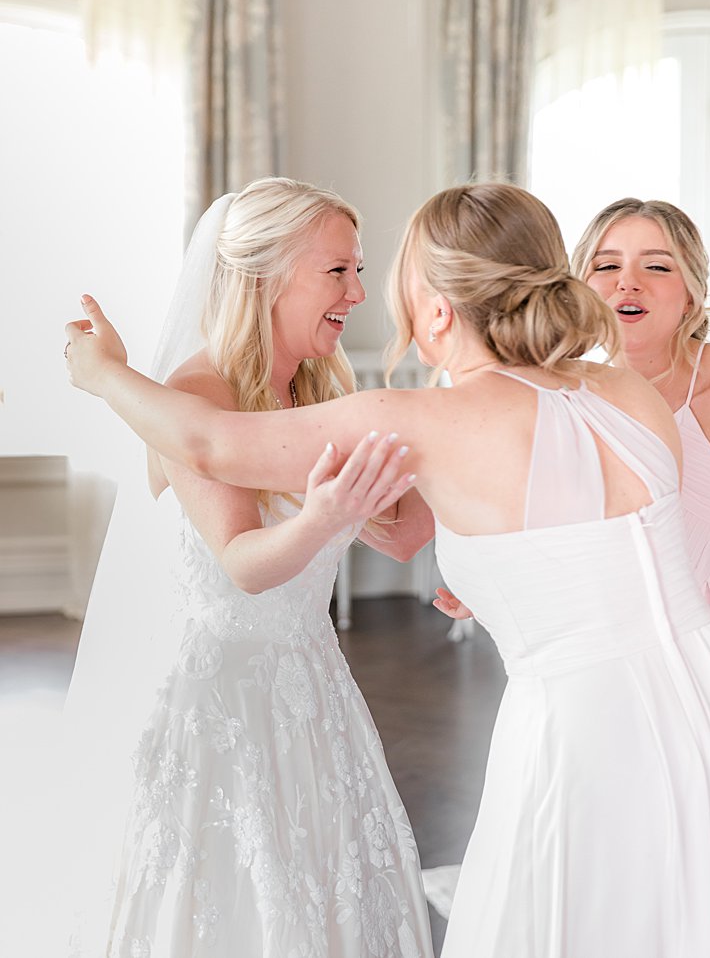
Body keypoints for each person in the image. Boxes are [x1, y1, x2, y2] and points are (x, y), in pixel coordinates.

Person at [66, 182, 710, 958]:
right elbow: (584, 530)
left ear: (436, 308)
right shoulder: (625, 386)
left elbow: (211, 445)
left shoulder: (423, 417)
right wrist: (514, 580)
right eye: (342, 274)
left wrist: (103, 375)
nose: (365, 297)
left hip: (585, 727)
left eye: (385, 280)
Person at [63, 178, 433, 957]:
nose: (358, 292)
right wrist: (325, 515)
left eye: (358, 271)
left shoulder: (316, 387)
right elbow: (241, 564)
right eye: (337, 271)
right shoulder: (196, 392)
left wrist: (462, 413)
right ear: (265, 275)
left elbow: (398, 539)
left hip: (313, 689)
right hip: (222, 705)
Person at [572, 198, 710, 664]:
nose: (627, 282)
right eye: (607, 265)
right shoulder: (571, 400)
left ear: (692, 293)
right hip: (624, 649)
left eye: (656, 266)